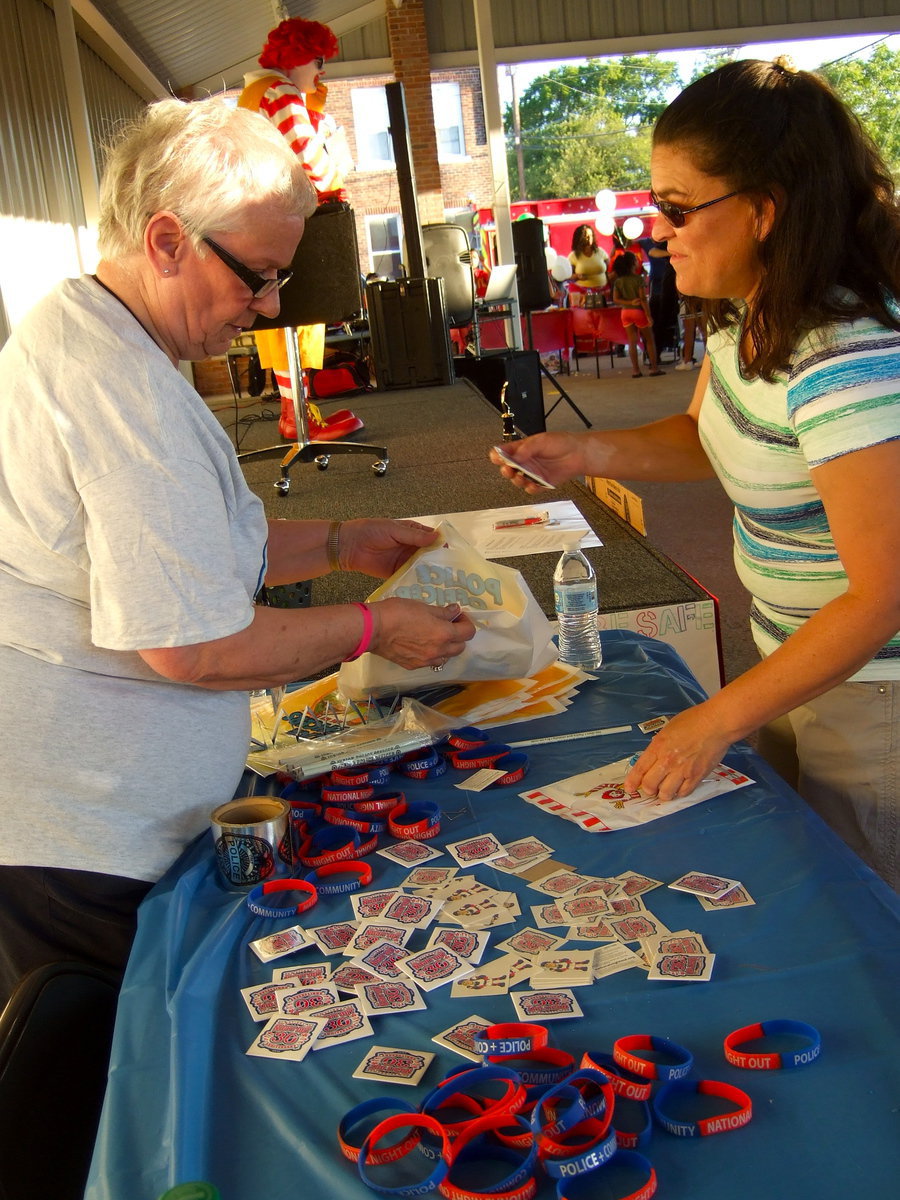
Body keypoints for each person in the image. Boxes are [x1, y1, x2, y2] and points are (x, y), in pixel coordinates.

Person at [0, 97, 476, 1006]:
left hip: (84, 818)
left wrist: (340, 541)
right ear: (168, 241)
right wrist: (374, 627)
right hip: (86, 844)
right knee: (107, 1102)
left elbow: (185, 552)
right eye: (257, 276)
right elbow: (196, 645)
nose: (267, 307)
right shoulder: (121, 395)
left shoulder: (96, 331)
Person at [491, 58, 900, 891]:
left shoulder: (846, 356)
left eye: (676, 210)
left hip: (875, 699)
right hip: (801, 663)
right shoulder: (749, 314)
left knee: (866, 932)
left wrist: (717, 718)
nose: (657, 230)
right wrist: (585, 454)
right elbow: (710, 435)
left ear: (763, 211)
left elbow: (883, 592)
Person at [239, 17, 362, 444]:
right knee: (304, 313)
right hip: (287, 219)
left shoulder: (258, 94)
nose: (322, 70)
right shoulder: (281, 92)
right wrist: (337, 179)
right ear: (298, 57)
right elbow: (313, 162)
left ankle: (297, 411)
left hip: (258, 222)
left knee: (282, 317)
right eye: (319, 60)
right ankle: (297, 417)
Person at [612, 251, 664, 377]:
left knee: (632, 341)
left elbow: (616, 299)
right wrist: (648, 314)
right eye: (635, 260)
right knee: (649, 340)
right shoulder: (638, 279)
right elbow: (643, 299)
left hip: (625, 312)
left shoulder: (619, 281)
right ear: (632, 264)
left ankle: (635, 370)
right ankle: (654, 368)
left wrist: (628, 302)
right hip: (638, 311)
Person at [567, 224, 609, 306]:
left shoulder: (600, 252)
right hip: (582, 293)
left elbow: (608, 270)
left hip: (603, 291)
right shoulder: (573, 255)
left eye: (591, 235)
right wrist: (577, 276)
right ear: (579, 238)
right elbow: (568, 276)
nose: (589, 238)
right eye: (586, 236)